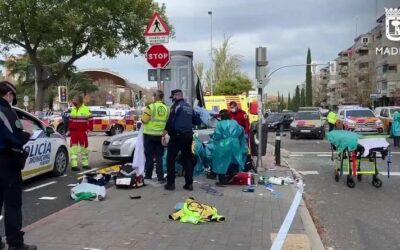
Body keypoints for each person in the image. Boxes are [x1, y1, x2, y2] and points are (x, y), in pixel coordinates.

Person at [0, 81, 37, 250]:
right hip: (6, 163)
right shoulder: (6, 112)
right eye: (12, 97)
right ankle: (15, 244)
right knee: (13, 205)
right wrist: (27, 133)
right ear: (9, 94)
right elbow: (15, 139)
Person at [164, 89, 201, 191]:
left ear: (176, 96)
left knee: (170, 160)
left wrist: (165, 133)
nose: (172, 99)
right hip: (188, 136)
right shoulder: (189, 107)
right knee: (187, 159)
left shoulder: (176, 106)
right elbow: (197, 121)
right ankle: (189, 184)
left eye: (173, 97)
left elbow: (170, 121)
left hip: (177, 136)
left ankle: (170, 184)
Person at [212, 109, 247, 186]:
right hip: (235, 143)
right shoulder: (234, 122)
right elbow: (240, 131)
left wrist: (214, 138)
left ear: (221, 117)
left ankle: (222, 180)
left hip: (224, 144)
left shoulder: (220, 124)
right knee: (233, 159)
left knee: (221, 161)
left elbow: (217, 135)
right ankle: (233, 174)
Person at [141, 90, 169, 183]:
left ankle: (148, 176)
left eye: (154, 95)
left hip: (149, 135)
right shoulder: (167, 108)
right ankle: (160, 177)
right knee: (159, 157)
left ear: (156, 97)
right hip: (160, 136)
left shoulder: (150, 107)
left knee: (149, 156)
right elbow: (168, 122)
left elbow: (144, 120)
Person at [68, 95, 92, 171]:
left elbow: (91, 120)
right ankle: (74, 165)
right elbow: (70, 120)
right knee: (73, 149)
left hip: (82, 132)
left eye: (74, 99)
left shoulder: (86, 109)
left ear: (79, 101)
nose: (73, 101)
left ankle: (85, 164)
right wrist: (70, 129)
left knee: (84, 148)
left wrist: (89, 129)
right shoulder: (73, 109)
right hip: (74, 133)